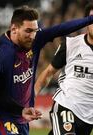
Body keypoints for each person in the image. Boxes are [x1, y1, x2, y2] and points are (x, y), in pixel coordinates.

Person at [0, 5, 93, 135]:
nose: (33, 36)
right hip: (2, 120)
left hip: (22, 120)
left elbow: (62, 28)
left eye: (35, 30)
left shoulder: (36, 39)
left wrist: (89, 20)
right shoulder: (3, 53)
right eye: (28, 31)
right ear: (14, 29)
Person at [34, 3, 93, 135]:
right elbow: (49, 72)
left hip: (88, 116)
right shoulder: (71, 44)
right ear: (86, 23)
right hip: (66, 105)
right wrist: (32, 97)